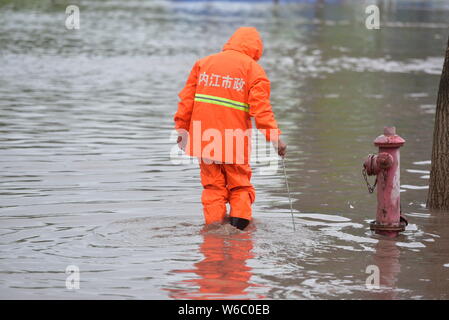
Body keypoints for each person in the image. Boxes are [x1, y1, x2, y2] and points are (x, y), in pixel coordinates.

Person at [174, 27, 286, 230]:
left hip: (204, 140)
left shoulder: (204, 63)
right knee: (240, 185)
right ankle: (238, 231)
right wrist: (275, 138)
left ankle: (214, 230)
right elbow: (261, 110)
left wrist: (182, 131)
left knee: (212, 187)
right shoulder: (254, 70)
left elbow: (186, 101)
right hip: (234, 141)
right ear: (256, 49)